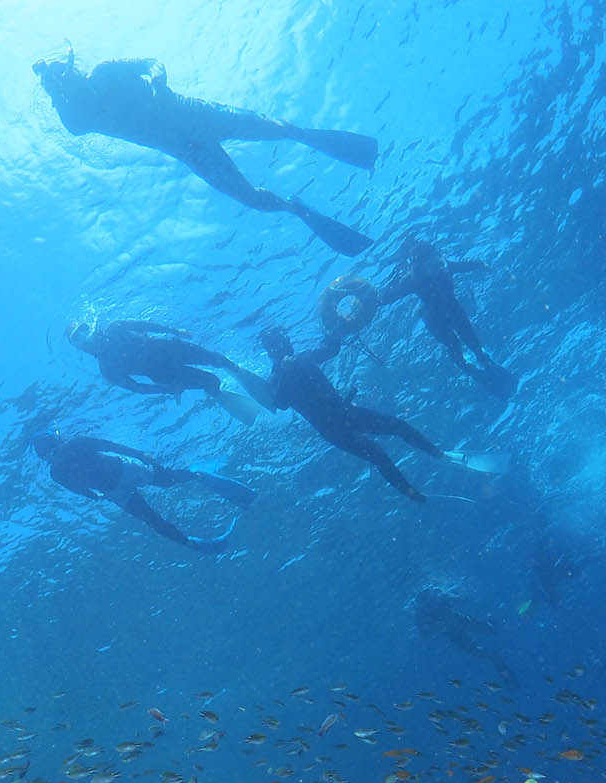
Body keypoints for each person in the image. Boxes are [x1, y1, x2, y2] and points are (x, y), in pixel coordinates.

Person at [34, 56, 379, 255]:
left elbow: (153, 61)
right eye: (57, 86)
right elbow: (73, 125)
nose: (66, 83)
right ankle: (296, 207)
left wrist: (158, 79)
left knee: (280, 129)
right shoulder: (79, 116)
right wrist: (55, 89)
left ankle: (324, 142)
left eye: (65, 75)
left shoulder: (106, 71)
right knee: (252, 199)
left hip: (200, 115)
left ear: (74, 65)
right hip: (190, 151)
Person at [259, 324, 443, 502]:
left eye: (287, 339)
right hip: (333, 427)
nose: (290, 343)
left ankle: (435, 453)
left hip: (344, 414)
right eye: (285, 340)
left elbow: (331, 350)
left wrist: (332, 330)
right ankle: (410, 491)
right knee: (377, 452)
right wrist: (285, 373)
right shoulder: (276, 378)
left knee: (396, 428)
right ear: (275, 349)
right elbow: (281, 404)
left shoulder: (302, 358)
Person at [29, 432, 254, 551]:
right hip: (125, 470)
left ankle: (189, 543)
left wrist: (96, 496)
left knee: (151, 519)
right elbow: (111, 446)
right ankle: (198, 475)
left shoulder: (55, 473)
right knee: (168, 481)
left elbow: (80, 490)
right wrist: (140, 455)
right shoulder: (77, 442)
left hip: (115, 492)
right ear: (55, 438)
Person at [375, 239, 515, 397]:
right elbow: (390, 297)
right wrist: (376, 300)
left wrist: (481, 264)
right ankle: (469, 368)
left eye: (438, 259)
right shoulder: (413, 280)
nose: (438, 266)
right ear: (420, 267)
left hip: (453, 308)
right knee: (453, 345)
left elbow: (464, 266)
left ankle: (484, 360)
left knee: (472, 339)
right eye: (431, 264)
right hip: (434, 318)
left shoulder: (445, 267)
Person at [67, 320, 270, 421]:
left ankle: (237, 370)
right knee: (212, 381)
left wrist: (174, 331)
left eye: (84, 329)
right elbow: (137, 388)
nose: (86, 337)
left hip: (169, 349)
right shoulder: (106, 368)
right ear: (78, 347)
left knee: (218, 359)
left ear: (91, 326)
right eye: (78, 337)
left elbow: (145, 324)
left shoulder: (114, 328)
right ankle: (218, 395)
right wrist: (167, 390)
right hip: (164, 374)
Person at [412, 588, 518, 687]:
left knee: (489, 633)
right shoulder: (422, 613)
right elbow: (424, 635)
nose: (431, 605)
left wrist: (452, 599)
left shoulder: (438, 599)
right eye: (427, 603)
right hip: (455, 629)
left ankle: (494, 627)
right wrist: (434, 627)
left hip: (458, 624)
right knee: (479, 647)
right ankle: (494, 656)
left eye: (430, 601)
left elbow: (461, 599)